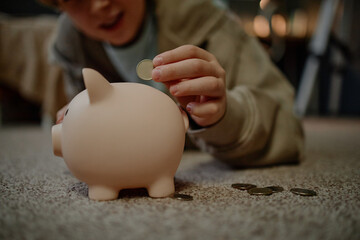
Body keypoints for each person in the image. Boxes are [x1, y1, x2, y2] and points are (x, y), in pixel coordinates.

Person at [39, 0, 304, 167]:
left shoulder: (207, 20)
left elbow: (290, 130)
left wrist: (224, 116)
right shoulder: (72, 44)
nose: (100, 4)